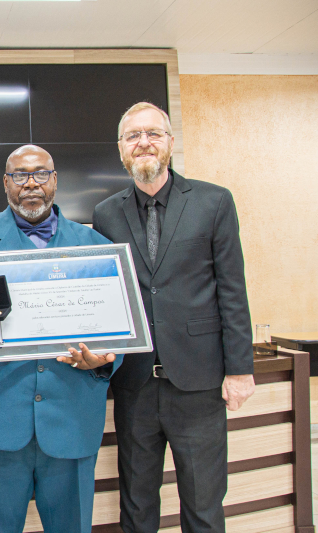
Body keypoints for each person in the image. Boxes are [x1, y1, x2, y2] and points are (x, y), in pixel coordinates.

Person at [0, 144, 123, 533]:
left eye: (40, 173)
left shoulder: (97, 246)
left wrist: (105, 358)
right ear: (6, 184)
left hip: (72, 418)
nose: (30, 184)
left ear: (55, 180)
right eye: (20, 175)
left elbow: (118, 330)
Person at [92, 102, 255, 532]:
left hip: (199, 384)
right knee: (137, 503)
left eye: (153, 134)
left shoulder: (214, 201)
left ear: (169, 143)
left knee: (203, 505)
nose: (143, 142)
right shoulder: (105, 214)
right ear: (121, 150)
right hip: (135, 385)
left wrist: (240, 370)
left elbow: (232, 290)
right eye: (133, 136)